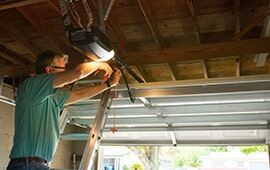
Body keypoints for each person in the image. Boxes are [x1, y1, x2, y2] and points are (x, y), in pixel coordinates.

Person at [7, 50, 121, 170]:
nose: (64, 74)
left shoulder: (53, 96)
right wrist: (100, 64)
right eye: (62, 70)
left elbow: (80, 94)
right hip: (27, 165)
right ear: (49, 70)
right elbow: (78, 72)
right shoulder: (31, 87)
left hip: (36, 165)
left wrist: (109, 84)